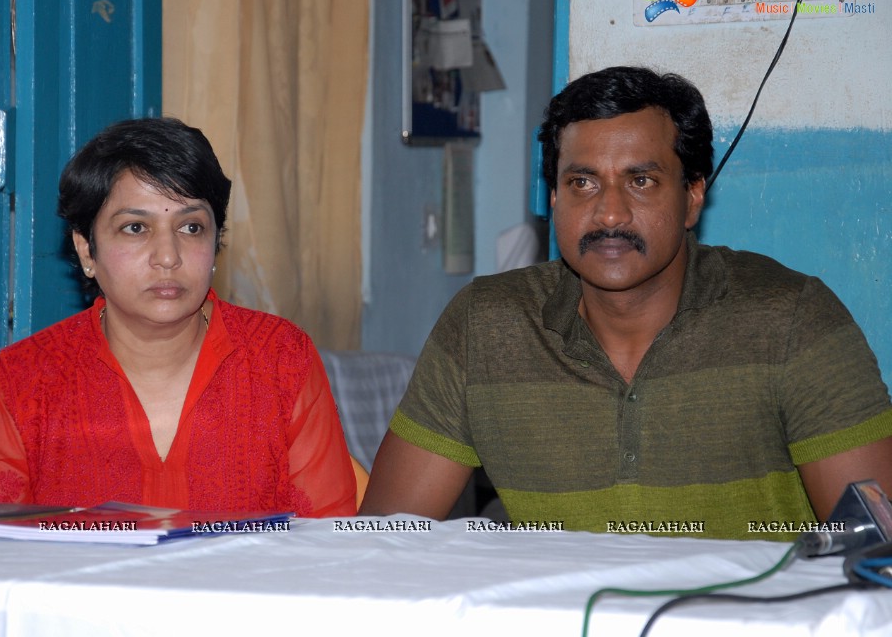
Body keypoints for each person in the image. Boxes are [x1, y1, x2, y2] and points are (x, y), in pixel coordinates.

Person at [360, 66, 892, 539]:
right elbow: (382, 541)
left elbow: (877, 549)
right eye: (582, 183)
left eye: (641, 181)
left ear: (692, 196)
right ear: (553, 199)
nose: (609, 214)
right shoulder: (485, 325)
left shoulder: (792, 319)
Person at [0, 117, 357, 517]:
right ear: (87, 250)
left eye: (191, 227)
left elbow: (328, 543)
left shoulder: (282, 360)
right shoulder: (24, 381)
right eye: (135, 228)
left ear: (217, 242)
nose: (168, 256)